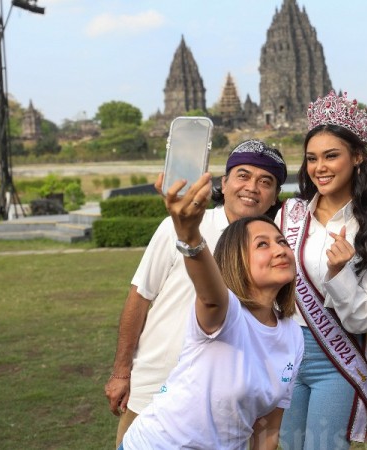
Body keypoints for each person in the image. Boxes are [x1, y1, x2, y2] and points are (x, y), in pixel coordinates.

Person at [104, 139, 288, 447]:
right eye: (243, 175)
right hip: (155, 385)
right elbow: (140, 297)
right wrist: (121, 371)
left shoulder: (273, 251)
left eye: (265, 181)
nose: (252, 187)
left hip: (221, 402)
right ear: (224, 183)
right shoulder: (178, 226)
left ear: (274, 197)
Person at [277, 91, 367, 449]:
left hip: (335, 360)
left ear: (357, 157)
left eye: (332, 156)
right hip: (283, 352)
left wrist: (339, 275)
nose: (320, 167)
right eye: (312, 158)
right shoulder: (289, 215)